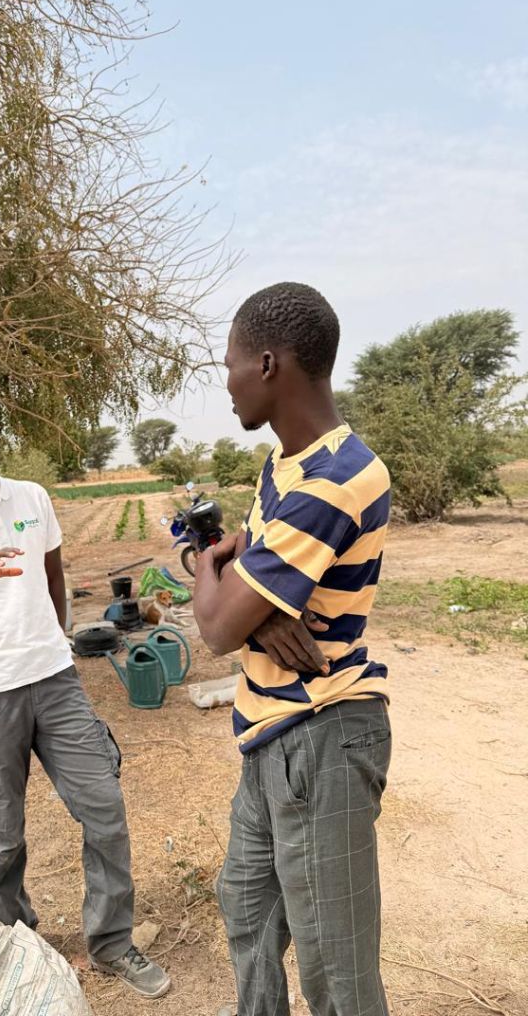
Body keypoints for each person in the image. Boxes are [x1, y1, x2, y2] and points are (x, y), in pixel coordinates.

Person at [0, 393, 170, 999]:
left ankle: (111, 942)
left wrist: (57, 637)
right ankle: (15, 943)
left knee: (104, 806)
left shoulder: (33, 498)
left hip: (54, 679)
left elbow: (53, 574)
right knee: (4, 830)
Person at [192, 284, 392, 1016]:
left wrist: (217, 577)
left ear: (268, 365)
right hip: (268, 731)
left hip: (322, 733)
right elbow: (240, 579)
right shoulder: (284, 466)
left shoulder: (336, 480)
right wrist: (252, 608)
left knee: (336, 974)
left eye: (230, 365)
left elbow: (217, 627)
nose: (227, 383)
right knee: (246, 907)